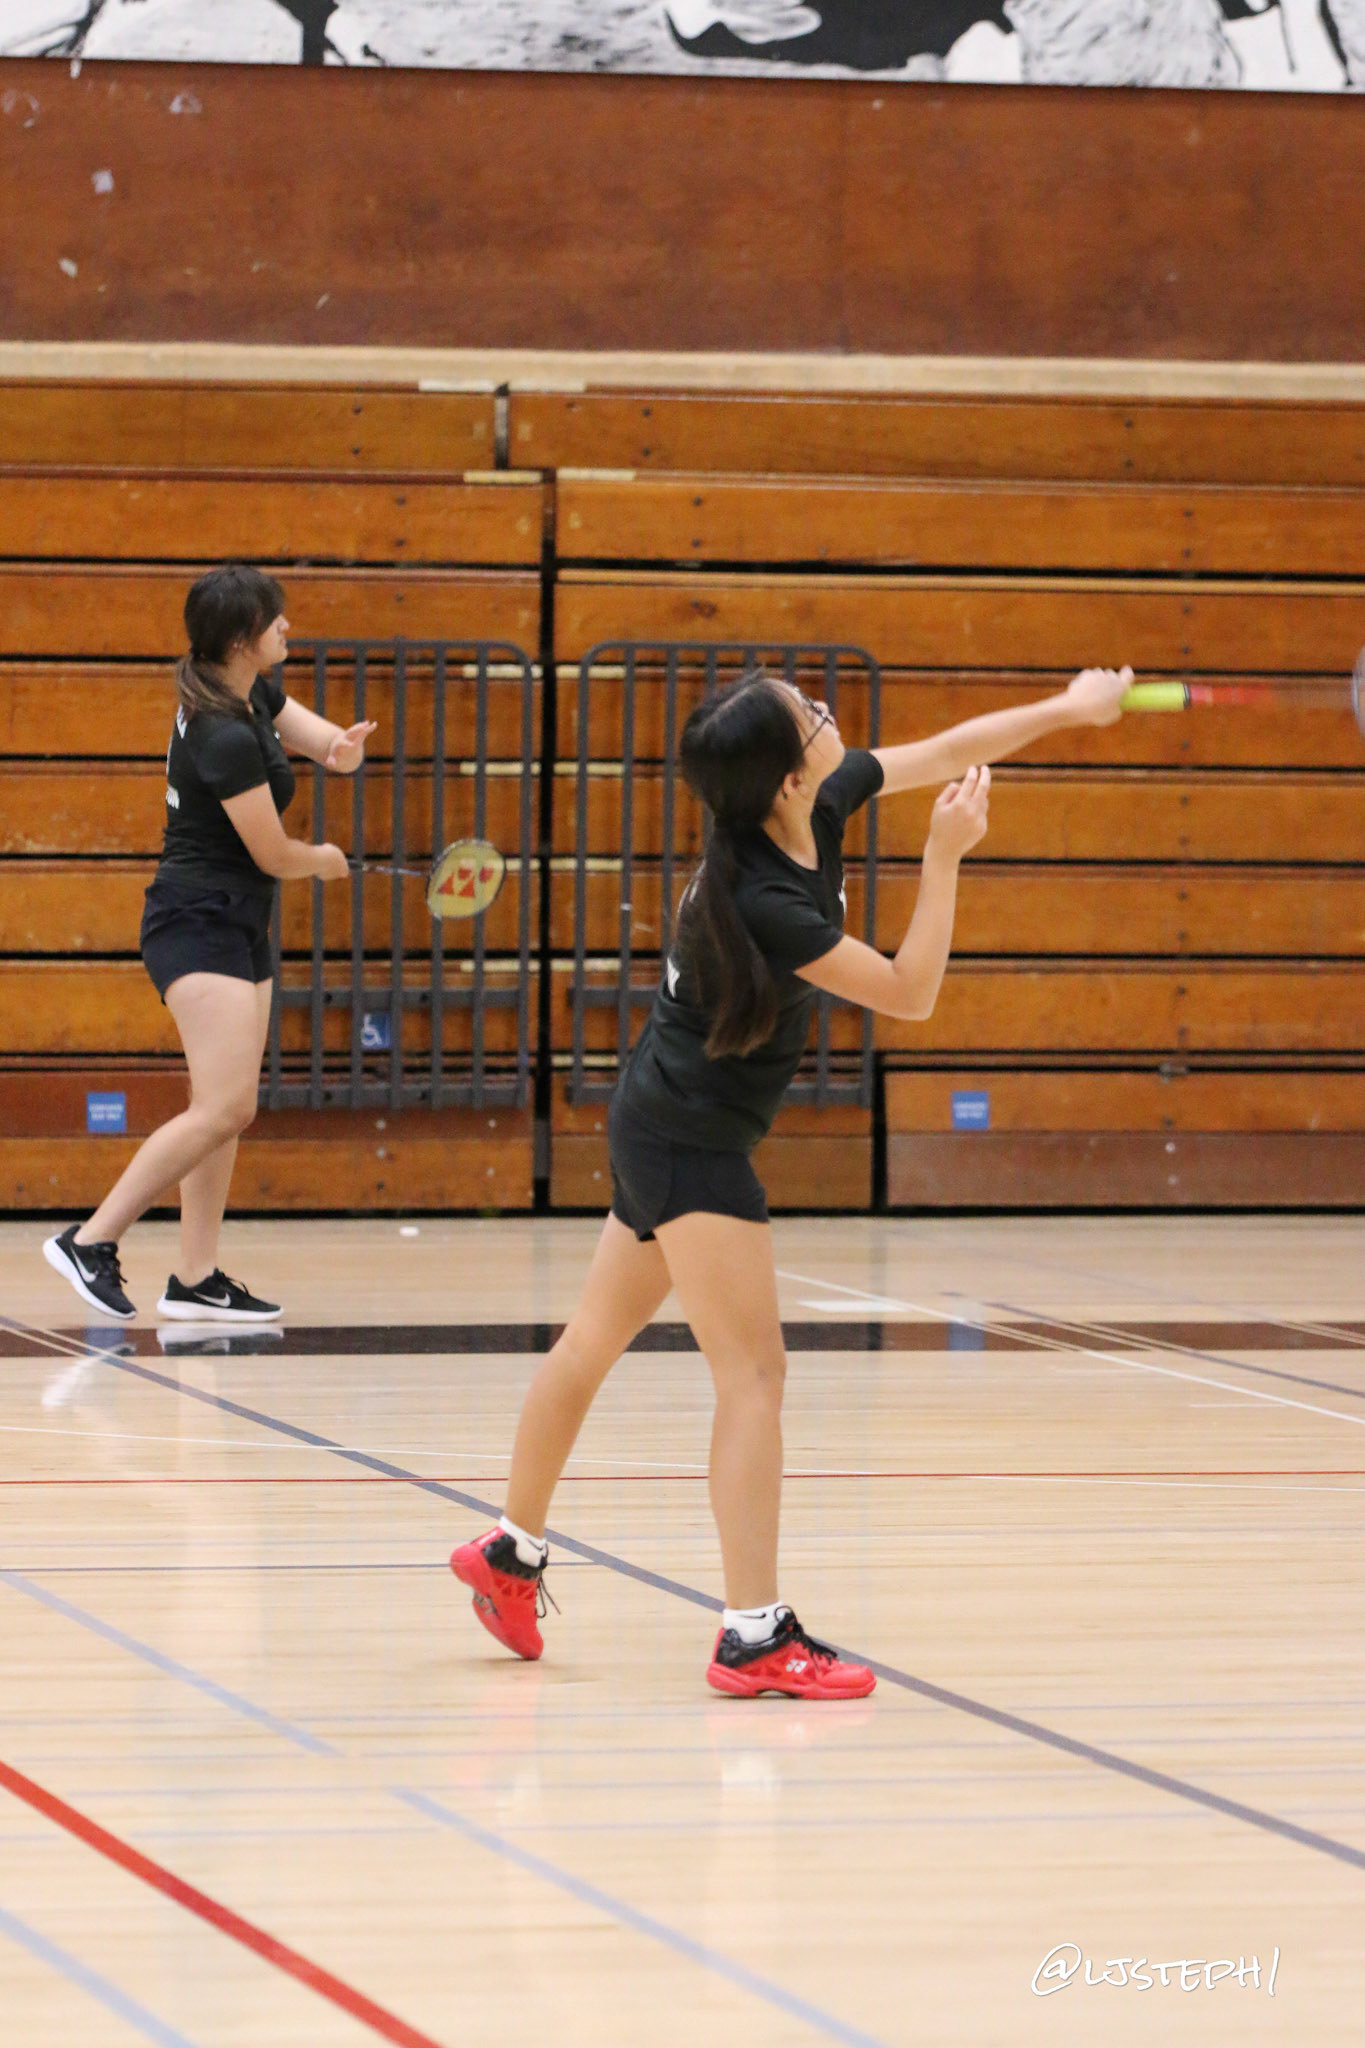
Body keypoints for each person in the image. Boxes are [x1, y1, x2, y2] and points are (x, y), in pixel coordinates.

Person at [452, 661, 1132, 1699]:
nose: (828, 714)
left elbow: (949, 749)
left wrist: (1068, 709)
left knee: (592, 1340)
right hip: (690, 1140)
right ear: (783, 778)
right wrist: (943, 858)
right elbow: (909, 992)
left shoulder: (811, 803)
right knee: (754, 1378)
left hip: (657, 1117)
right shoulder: (763, 896)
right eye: (810, 715)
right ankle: (754, 1636)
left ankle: (509, 1553)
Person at [43, 564, 373, 1324]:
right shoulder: (221, 734)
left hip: (238, 922)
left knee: (224, 1109)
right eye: (274, 619)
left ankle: (195, 1277)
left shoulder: (244, 691)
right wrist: (322, 860)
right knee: (225, 1107)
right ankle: (90, 1240)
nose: (286, 627)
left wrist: (340, 750)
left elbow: (318, 738)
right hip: (196, 922)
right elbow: (274, 855)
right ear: (240, 639)